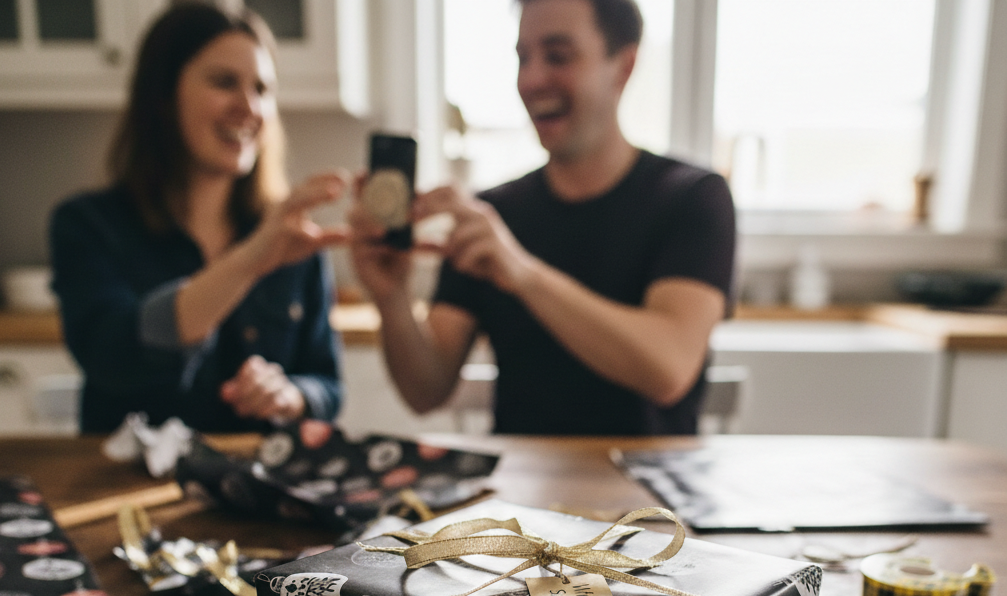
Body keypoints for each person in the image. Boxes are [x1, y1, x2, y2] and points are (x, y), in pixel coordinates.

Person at [350, 0, 735, 435]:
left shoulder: (692, 198)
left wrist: (521, 272)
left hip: (645, 479)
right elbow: (426, 391)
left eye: (558, 56)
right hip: (519, 478)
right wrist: (392, 298)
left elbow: (668, 369)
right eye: (523, 58)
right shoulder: (493, 214)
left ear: (623, 67)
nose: (531, 80)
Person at [50, 2, 349, 434]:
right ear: (163, 95)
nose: (249, 106)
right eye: (225, 82)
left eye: (261, 89)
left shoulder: (287, 234)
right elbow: (111, 356)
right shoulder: (88, 225)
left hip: (258, 474)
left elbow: (327, 385)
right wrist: (250, 260)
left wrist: (290, 395)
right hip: (128, 474)